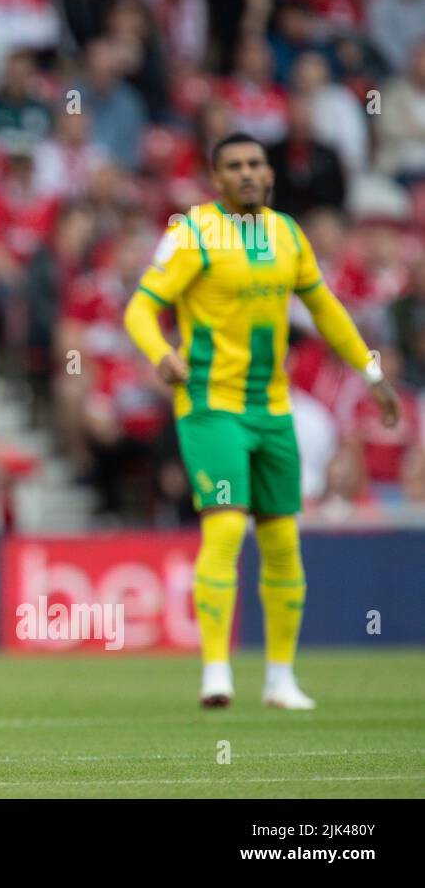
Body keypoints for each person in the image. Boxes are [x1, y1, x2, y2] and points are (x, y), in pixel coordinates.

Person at [123, 132, 400, 710]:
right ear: (216, 177)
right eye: (234, 166)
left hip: (272, 409)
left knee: (282, 541)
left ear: (269, 173)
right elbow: (141, 309)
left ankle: (279, 679)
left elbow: (326, 310)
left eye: (255, 163)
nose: (248, 173)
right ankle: (216, 672)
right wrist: (161, 355)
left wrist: (371, 375)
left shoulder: (286, 235)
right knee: (225, 527)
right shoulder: (192, 232)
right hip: (211, 404)